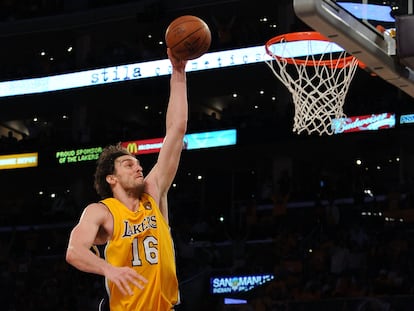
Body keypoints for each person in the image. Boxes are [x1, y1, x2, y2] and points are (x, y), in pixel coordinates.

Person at [66, 48, 188, 311]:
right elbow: (74, 251)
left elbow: (176, 130)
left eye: (138, 163)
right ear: (111, 178)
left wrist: (178, 73)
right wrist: (108, 269)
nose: (138, 168)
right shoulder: (102, 211)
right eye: (128, 164)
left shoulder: (153, 192)